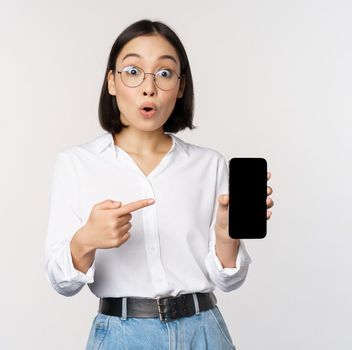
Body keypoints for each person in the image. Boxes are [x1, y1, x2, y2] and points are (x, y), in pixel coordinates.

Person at [43, 19, 274, 349]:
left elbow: (230, 279)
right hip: (122, 337)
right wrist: (86, 240)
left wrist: (226, 236)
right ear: (111, 81)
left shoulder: (208, 165)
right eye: (133, 71)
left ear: (180, 87)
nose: (148, 87)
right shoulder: (76, 164)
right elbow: (61, 282)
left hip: (204, 332)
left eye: (164, 73)